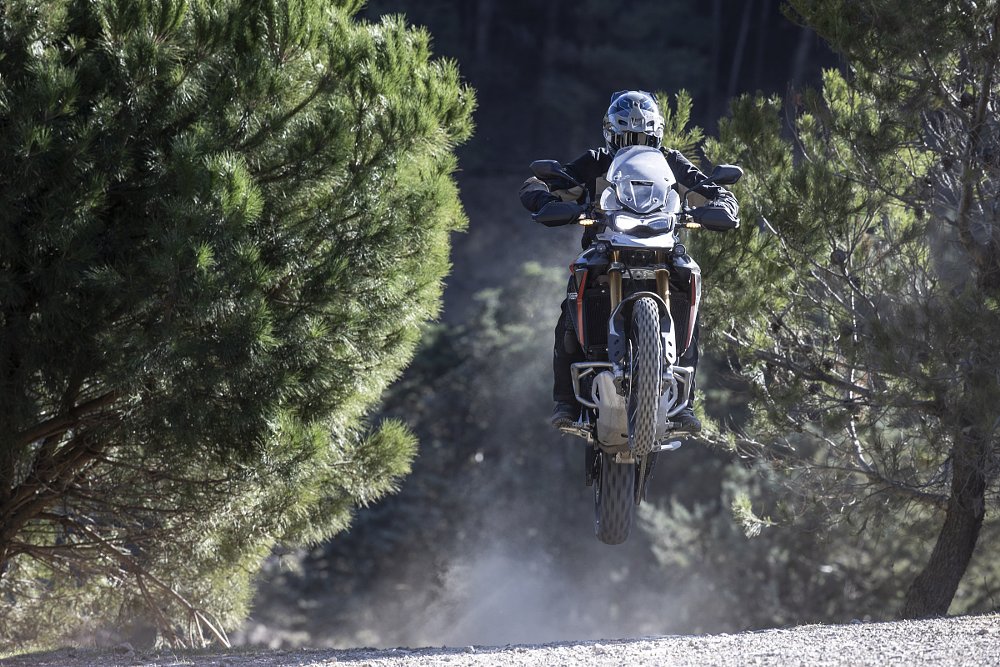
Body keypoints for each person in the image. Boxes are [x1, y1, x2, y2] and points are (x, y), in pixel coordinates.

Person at [519, 90, 740, 432]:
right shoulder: (594, 161)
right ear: (610, 135)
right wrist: (541, 197)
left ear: (657, 134)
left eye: (643, 137)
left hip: (663, 242)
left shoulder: (672, 163)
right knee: (572, 301)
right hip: (606, 244)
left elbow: (711, 189)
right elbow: (546, 181)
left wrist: (723, 204)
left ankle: (684, 404)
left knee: (690, 291)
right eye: (625, 137)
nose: (633, 143)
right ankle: (565, 400)